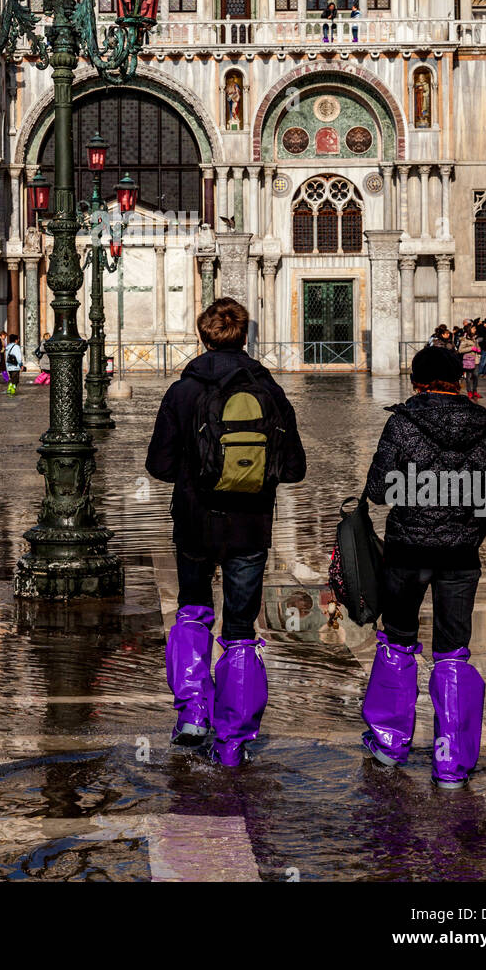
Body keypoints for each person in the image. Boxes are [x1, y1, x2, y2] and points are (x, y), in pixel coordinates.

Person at [145, 298, 306, 765]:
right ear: (244, 335)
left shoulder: (182, 391)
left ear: (203, 335)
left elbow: (158, 465)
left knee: (193, 612)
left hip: (195, 523)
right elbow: (294, 468)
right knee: (240, 629)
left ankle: (193, 713)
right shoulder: (269, 388)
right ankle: (233, 741)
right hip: (251, 528)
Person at [360, 345, 486, 789]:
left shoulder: (402, 422)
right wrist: (466, 537)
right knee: (453, 650)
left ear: (417, 381)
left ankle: (389, 744)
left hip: (406, 552)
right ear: (458, 381)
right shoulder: (484, 424)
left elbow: (378, 491)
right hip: (460, 556)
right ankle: (451, 764)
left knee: (399, 641)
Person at [460, 324, 481, 399]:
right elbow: (460, 350)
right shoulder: (465, 339)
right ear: (469, 330)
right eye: (473, 328)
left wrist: (479, 350)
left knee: (476, 376)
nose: (475, 330)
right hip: (468, 360)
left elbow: (477, 347)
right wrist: (471, 348)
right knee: (468, 377)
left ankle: (475, 391)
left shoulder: (475, 338)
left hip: (476, 360)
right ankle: (469, 391)